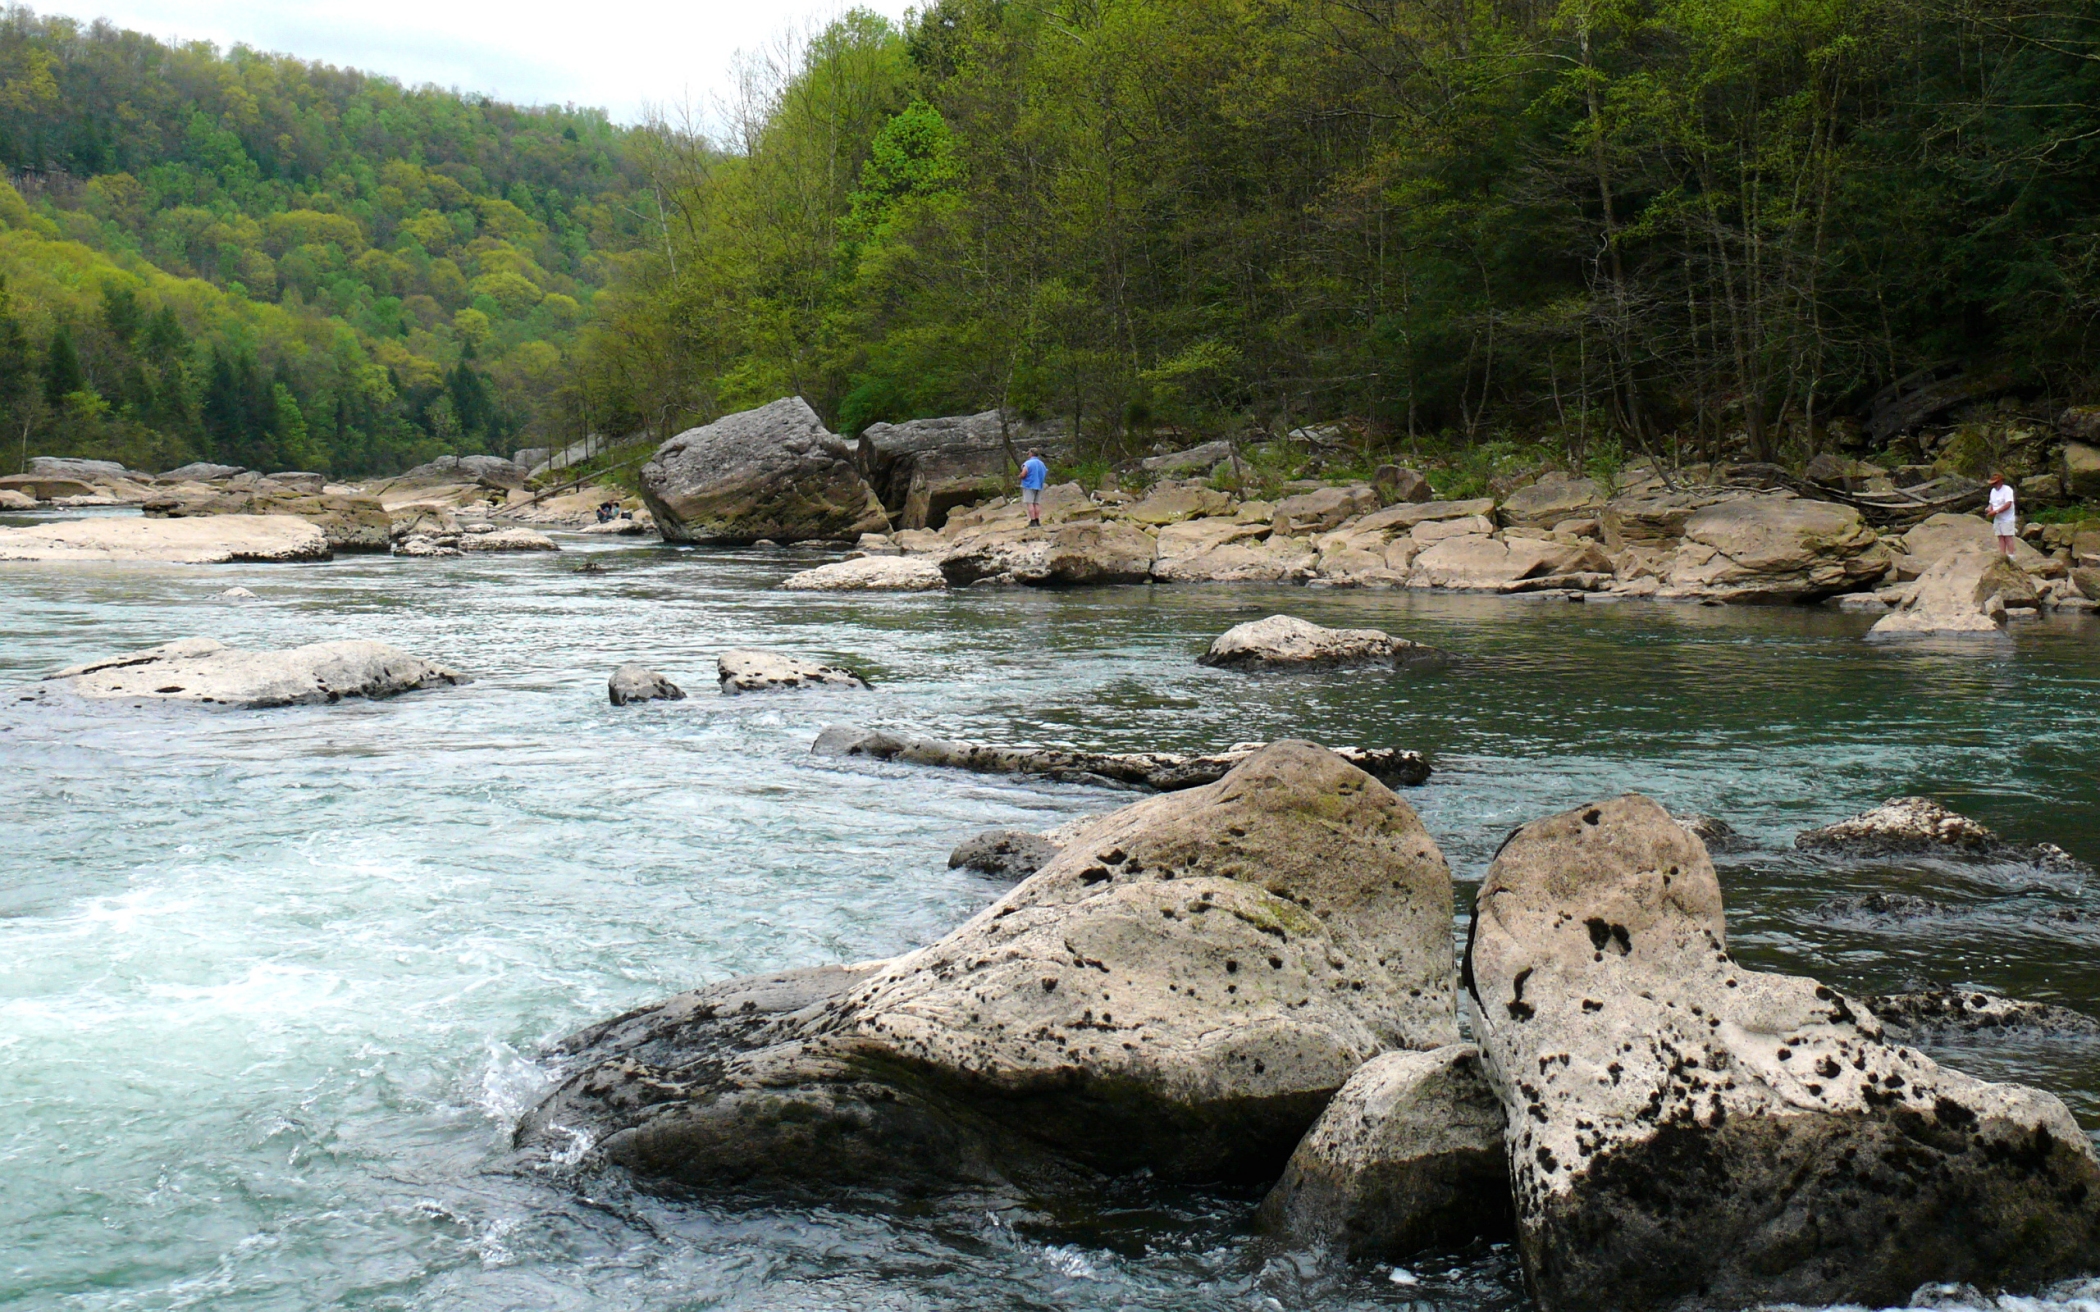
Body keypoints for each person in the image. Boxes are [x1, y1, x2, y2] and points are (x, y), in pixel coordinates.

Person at [1986, 473, 2016, 556]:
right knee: (2000, 537)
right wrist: (1989, 508)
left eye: (1995, 483)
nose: (1993, 485)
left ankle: (2011, 555)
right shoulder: (1993, 491)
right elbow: (1991, 503)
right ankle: (2002, 555)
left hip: (2007, 518)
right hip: (1998, 518)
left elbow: (2008, 504)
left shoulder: (2007, 490)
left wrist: (1996, 511)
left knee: (2008, 537)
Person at [1019, 449, 1048, 526]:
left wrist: (1020, 476)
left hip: (1029, 485)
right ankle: (1037, 520)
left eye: (1028, 453)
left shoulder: (1028, 463)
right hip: (1039, 485)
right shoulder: (1042, 464)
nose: (1028, 454)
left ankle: (1033, 521)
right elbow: (1045, 472)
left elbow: (1024, 474)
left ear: (1031, 453)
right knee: (1036, 503)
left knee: (1030, 503)